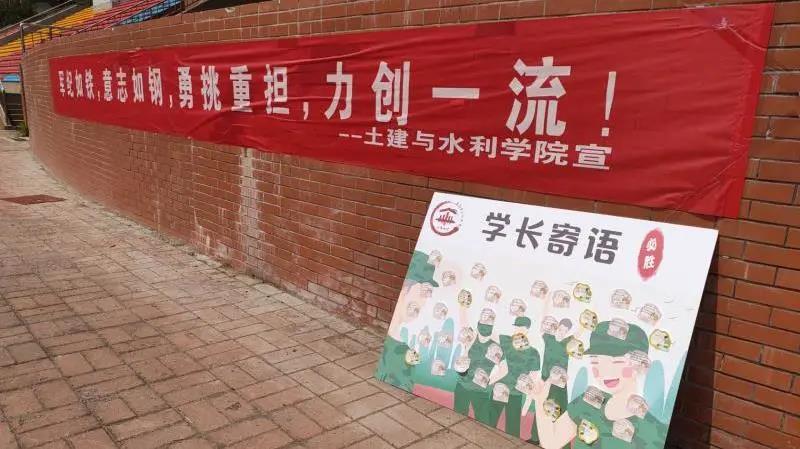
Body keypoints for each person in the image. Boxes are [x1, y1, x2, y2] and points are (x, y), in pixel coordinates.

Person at [528, 321, 667, 449]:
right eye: (596, 362)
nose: (604, 371)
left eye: (616, 362)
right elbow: (551, 443)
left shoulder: (653, 431)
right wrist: (540, 401)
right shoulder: (587, 401)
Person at [374, 251, 438, 392]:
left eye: (427, 294)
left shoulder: (409, 348)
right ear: (405, 289)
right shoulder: (398, 350)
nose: (423, 302)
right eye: (422, 292)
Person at [492, 316, 540, 437]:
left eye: (521, 327)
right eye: (516, 327)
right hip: (499, 388)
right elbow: (490, 334)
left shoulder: (533, 353)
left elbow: (532, 380)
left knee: (512, 430)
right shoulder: (505, 340)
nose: (517, 330)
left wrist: (526, 405)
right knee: (489, 421)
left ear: (527, 330)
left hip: (515, 394)